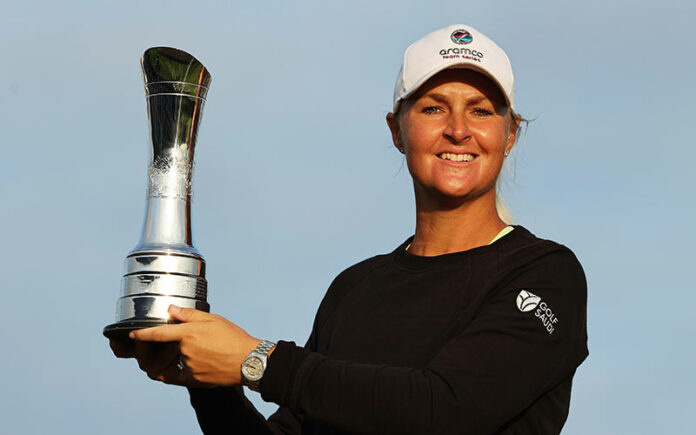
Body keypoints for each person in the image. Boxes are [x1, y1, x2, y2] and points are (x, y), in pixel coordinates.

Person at [110, 24, 588, 434]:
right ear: (396, 130)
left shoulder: (545, 275)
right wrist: (206, 380)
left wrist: (255, 360)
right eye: (433, 107)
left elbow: (443, 410)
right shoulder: (356, 288)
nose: (459, 130)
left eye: (481, 110)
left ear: (510, 133)